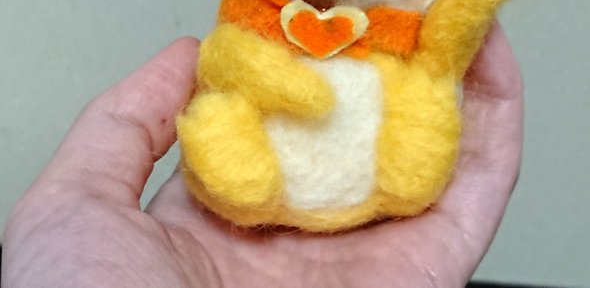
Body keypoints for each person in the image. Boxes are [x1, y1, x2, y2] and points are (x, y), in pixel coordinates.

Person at [1, 22, 522, 288]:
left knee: (421, 128)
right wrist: (285, 85)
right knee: (221, 122)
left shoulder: (395, 32)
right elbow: (228, 58)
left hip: (373, 179)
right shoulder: (251, 19)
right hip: (253, 190)